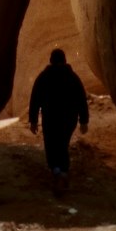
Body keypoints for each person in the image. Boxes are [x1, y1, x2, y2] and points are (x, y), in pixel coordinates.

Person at [28, 48, 89, 192]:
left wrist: (33, 120)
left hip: (51, 118)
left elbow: (35, 99)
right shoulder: (73, 77)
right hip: (69, 118)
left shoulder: (43, 77)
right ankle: (63, 171)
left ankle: (57, 171)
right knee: (62, 144)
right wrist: (83, 120)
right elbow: (81, 99)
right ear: (65, 60)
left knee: (51, 144)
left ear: (51, 60)